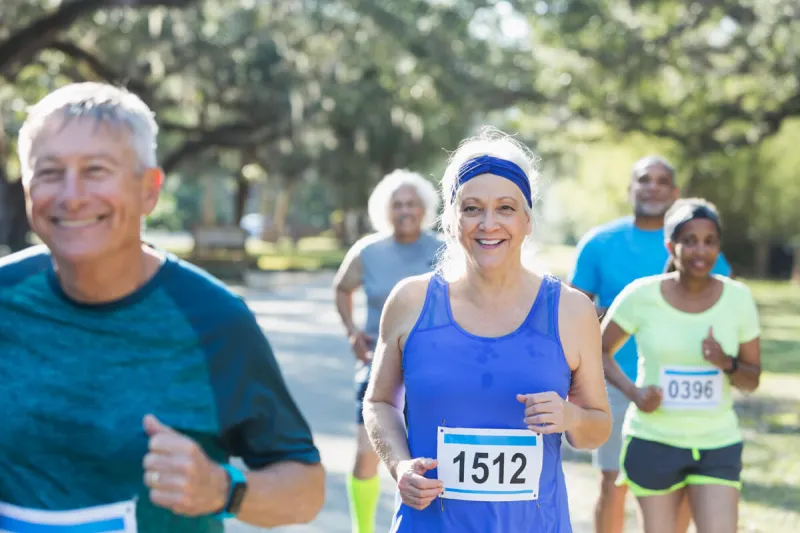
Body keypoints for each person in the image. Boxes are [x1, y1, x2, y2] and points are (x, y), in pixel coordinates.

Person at [0, 82, 324, 533]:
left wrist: (222, 489)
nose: (71, 195)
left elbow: (306, 489)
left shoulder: (213, 320)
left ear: (149, 189)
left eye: (96, 170)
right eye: (50, 172)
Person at [362, 127, 612, 532]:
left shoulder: (570, 309)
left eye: (506, 208)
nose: (488, 224)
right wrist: (399, 464)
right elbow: (379, 403)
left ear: (528, 220)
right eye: (472, 208)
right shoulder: (411, 301)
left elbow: (596, 428)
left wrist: (570, 416)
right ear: (450, 220)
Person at [569, 156, 732, 533]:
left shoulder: (695, 242)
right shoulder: (600, 242)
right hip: (613, 379)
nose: (652, 187)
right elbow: (570, 314)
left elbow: (723, 301)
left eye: (662, 181)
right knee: (614, 482)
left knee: (677, 487)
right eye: (644, 179)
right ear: (631, 189)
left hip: (679, 382)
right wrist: (608, 316)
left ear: (675, 193)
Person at [600, 198, 761, 533]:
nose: (700, 251)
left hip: (716, 443)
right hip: (653, 440)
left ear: (719, 247)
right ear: (670, 245)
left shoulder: (738, 298)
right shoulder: (641, 295)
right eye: (689, 241)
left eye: (709, 242)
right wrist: (634, 392)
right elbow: (598, 351)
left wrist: (726, 362)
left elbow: (752, 379)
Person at [333, 169, 443, 533]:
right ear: (386, 210)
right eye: (397, 204)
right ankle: (362, 529)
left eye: (412, 203)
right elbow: (341, 288)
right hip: (378, 365)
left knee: (423, 459)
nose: (405, 210)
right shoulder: (368, 250)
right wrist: (352, 332)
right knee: (367, 454)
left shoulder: (443, 248)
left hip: (432, 366)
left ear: (424, 208)